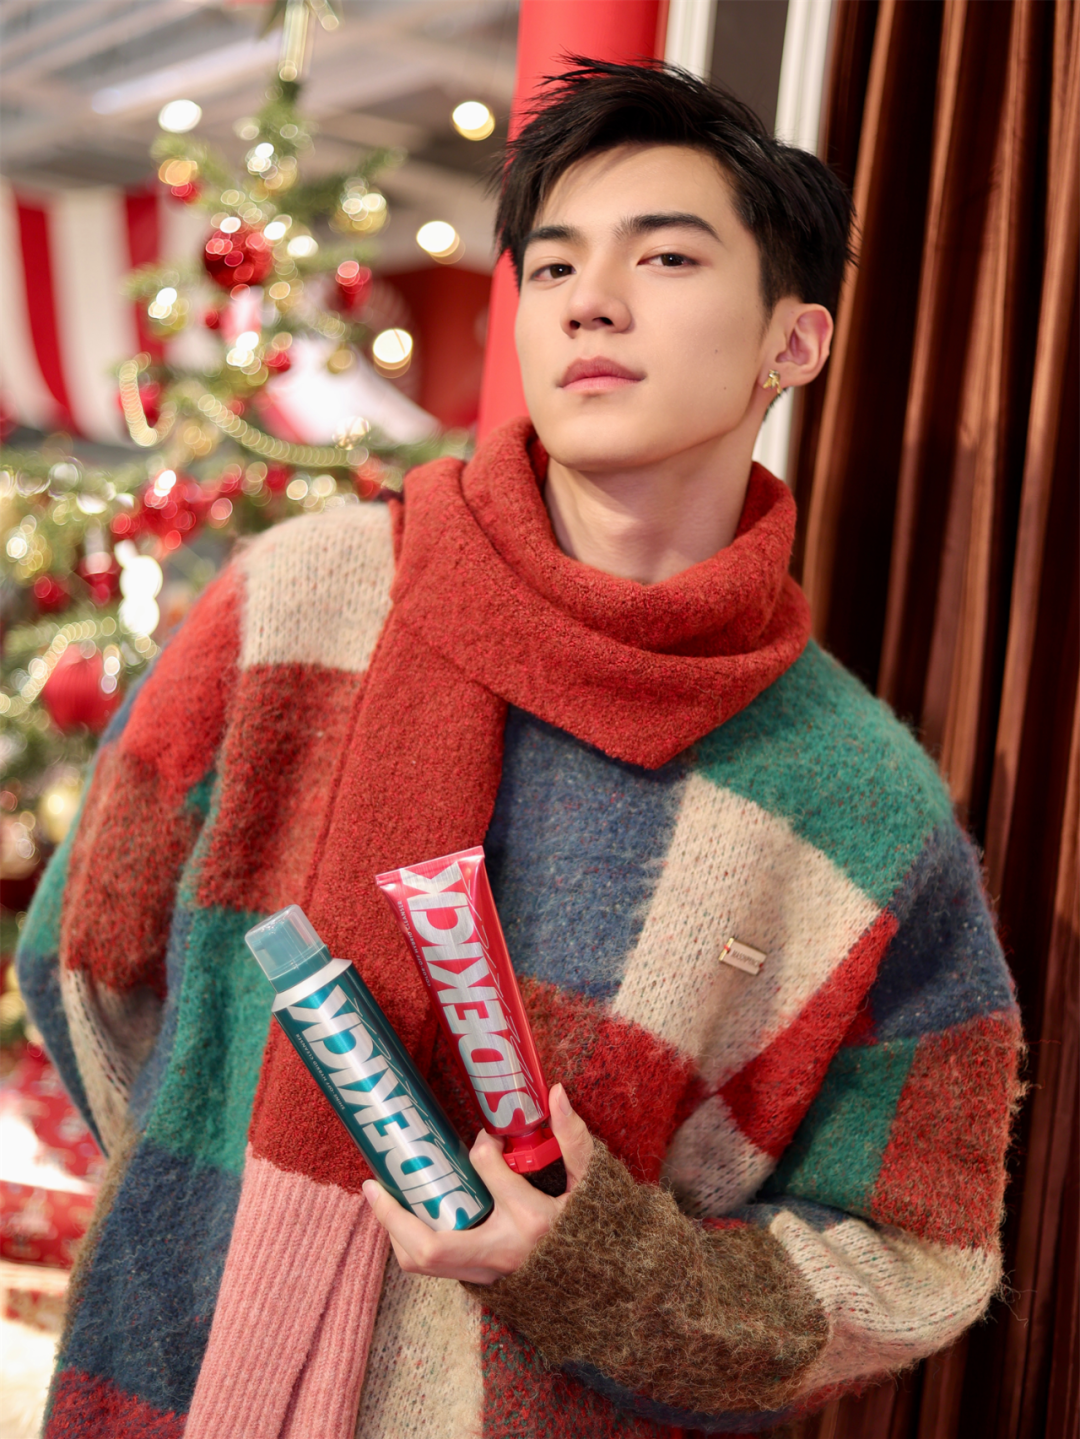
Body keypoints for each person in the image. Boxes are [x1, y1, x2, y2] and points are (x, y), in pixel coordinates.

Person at [18, 59, 1020, 1439]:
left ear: (794, 343)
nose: (589, 301)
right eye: (552, 266)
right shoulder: (303, 603)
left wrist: (600, 1274)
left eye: (665, 257)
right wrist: (224, 1219)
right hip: (170, 1384)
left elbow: (918, 1251)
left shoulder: (854, 800)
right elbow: (87, 960)